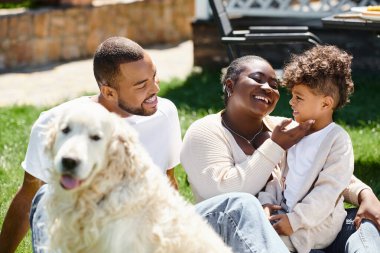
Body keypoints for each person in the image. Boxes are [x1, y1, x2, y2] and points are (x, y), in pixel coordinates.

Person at [181, 54, 380, 252]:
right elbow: (227, 195)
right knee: (244, 204)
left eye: (274, 84)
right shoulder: (205, 131)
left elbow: (324, 170)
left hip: (289, 226)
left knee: (362, 222)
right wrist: (275, 146)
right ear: (231, 86)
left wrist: (364, 194)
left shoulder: (284, 127)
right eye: (257, 79)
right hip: (232, 234)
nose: (268, 88)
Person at [0, 37, 182, 252]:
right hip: (80, 236)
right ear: (109, 92)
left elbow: (168, 182)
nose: (156, 89)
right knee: (46, 194)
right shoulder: (56, 123)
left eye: (154, 77)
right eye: (142, 85)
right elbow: (29, 197)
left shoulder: (164, 114)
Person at [258, 45, 355, 253]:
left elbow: (327, 192)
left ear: (325, 104)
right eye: (292, 95)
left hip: (316, 228)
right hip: (285, 216)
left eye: (299, 97)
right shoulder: (294, 133)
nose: (291, 102)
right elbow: (279, 178)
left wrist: (294, 221)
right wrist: (266, 203)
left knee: (256, 244)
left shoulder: (337, 141)